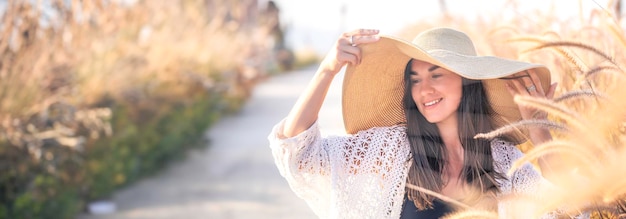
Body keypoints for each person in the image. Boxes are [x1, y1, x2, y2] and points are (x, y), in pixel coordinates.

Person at [268, 27, 563, 218]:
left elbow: (568, 208)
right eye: (415, 80)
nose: (425, 90)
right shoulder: (391, 149)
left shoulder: (503, 159)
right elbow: (300, 155)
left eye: (436, 75)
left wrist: (539, 134)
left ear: (467, 82)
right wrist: (326, 71)